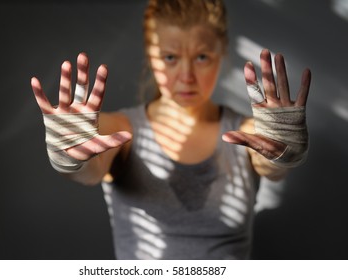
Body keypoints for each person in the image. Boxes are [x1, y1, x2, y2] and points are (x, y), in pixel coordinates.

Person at [31, 0, 311, 259]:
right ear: (151, 57)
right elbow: (90, 168)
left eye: (201, 57)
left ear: (222, 52)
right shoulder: (122, 130)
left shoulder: (245, 133)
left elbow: (270, 161)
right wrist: (70, 160)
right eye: (170, 57)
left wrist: (283, 154)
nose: (186, 76)